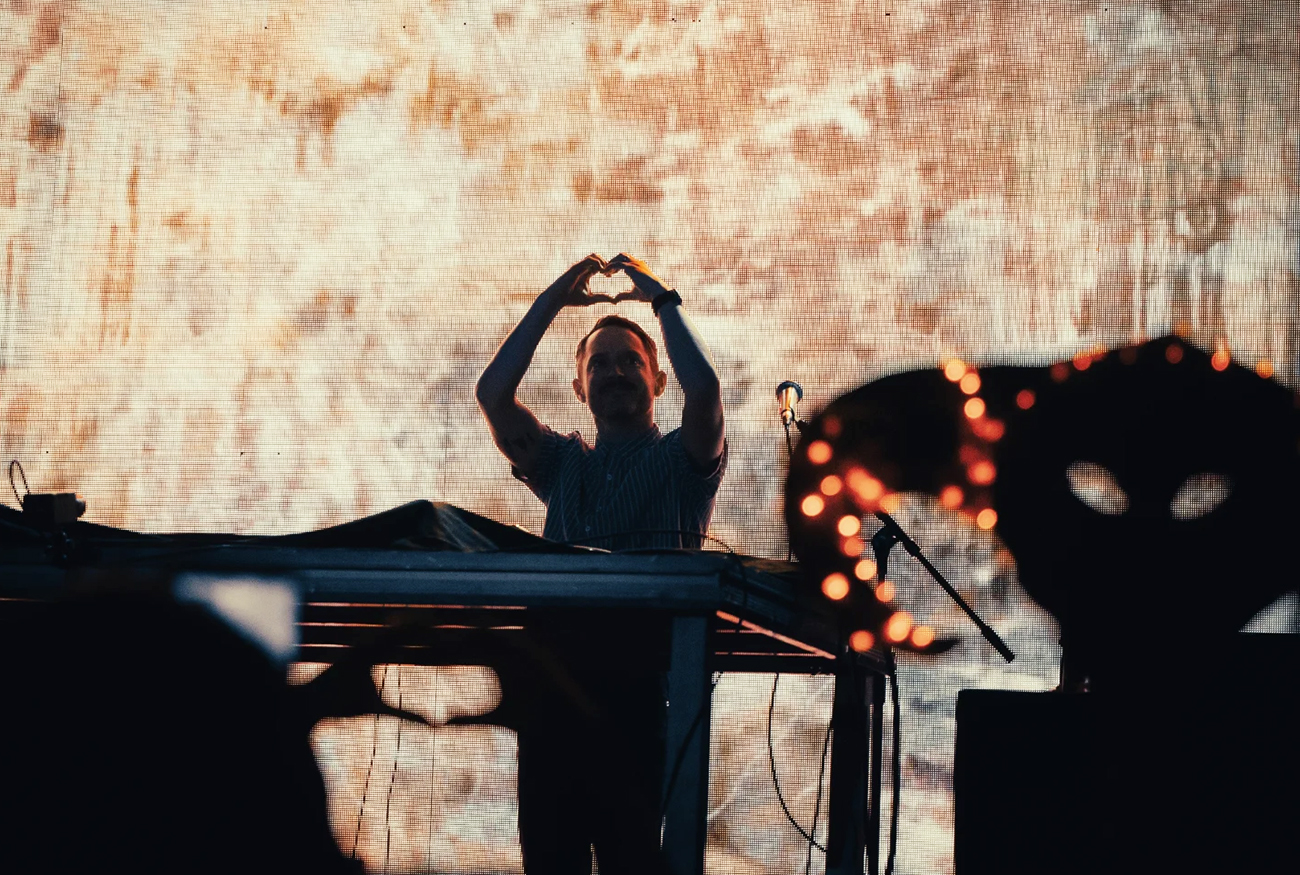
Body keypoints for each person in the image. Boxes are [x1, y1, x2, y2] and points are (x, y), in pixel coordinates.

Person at [475, 253, 726, 874]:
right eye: (599, 364)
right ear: (578, 388)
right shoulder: (562, 464)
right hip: (551, 705)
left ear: (658, 381)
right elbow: (492, 394)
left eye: (631, 362)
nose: (615, 372)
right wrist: (552, 303)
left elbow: (707, 391)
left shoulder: (682, 462)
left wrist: (661, 299)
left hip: (638, 705)